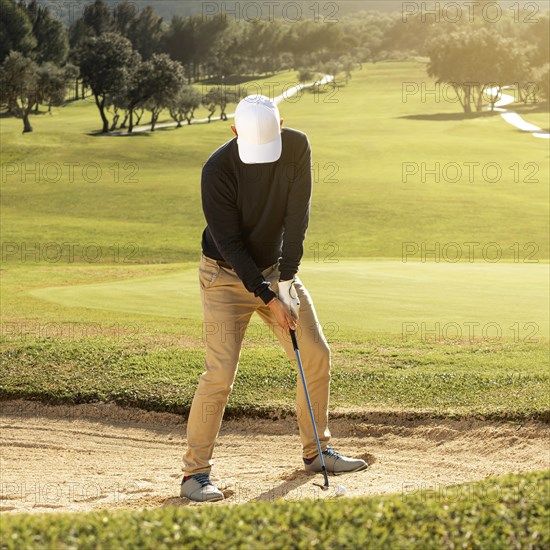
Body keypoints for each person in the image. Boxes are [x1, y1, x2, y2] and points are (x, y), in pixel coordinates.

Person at [181, 95, 367, 502]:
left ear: (283, 124)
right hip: (224, 276)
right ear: (234, 133)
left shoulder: (297, 146)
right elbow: (229, 242)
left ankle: (317, 451)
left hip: (274, 271)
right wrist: (269, 298)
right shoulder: (217, 170)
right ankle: (194, 474)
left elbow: (296, 217)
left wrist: (286, 281)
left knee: (316, 352)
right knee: (220, 374)